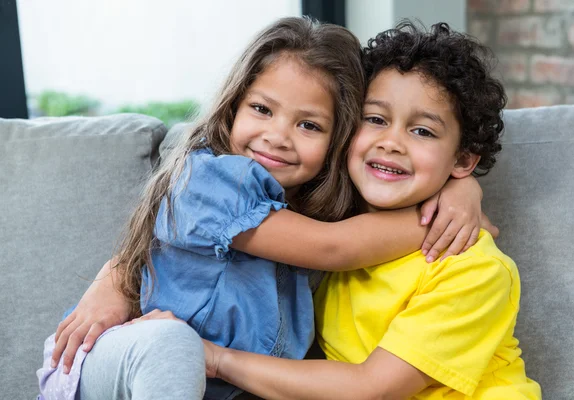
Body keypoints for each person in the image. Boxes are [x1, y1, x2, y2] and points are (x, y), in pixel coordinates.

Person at [38, 18, 491, 400]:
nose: (277, 136)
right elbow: (334, 248)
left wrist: (460, 187)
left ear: (339, 139)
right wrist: (440, 212)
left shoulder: (327, 203)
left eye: (309, 125)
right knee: (175, 344)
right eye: (261, 109)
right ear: (232, 108)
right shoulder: (212, 179)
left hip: (219, 383)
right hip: (128, 358)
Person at [177, 21, 543, 399]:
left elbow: (372, 389)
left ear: (462, 158)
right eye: (376, 119)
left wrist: (218, 360)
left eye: (423, 131)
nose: (391, 143)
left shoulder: (472, 269)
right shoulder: (330, 216)